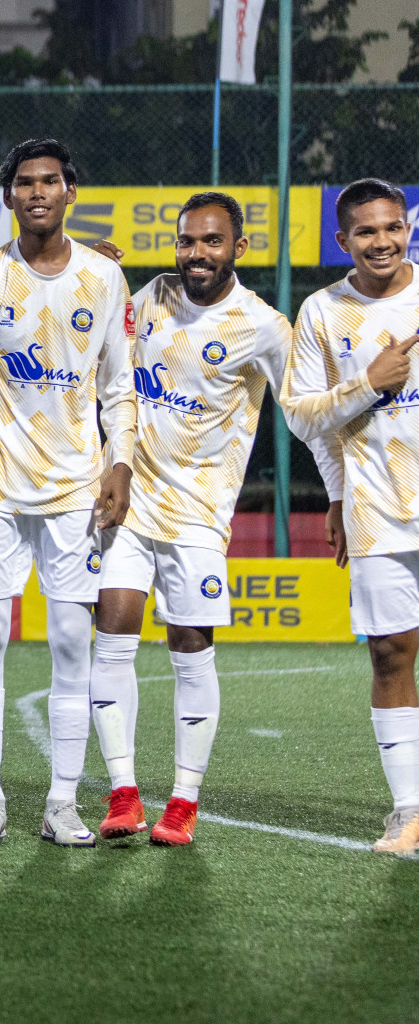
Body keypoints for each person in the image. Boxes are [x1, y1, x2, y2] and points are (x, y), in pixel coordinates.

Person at [90, 191, 338, 847]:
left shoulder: (263, 326)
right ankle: (122, 794)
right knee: (112, 631)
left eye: (211, 241)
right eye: (188, 241)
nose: (197, 253)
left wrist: (343, 485)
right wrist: (86, 277)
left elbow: (305, 416)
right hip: (128, 501)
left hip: (198, 515)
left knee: (189, 647)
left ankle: (183, 801)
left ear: (238, 248)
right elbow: (91, 352)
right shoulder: (150, 299)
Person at [0, 138, 137, 847]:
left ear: (70, 192)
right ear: (8, 197)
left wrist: (120, 467)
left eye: (50, 181)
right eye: (24, 182)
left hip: (76, 492)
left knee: (67, 642)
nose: (37, 192)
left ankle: (61, 803)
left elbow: (120, 387)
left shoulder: (103, 279)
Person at [278, 177, 419, 854]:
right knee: (392, 653)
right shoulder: (321, 313)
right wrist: (369, 383)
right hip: (377, 511)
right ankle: (408, 809)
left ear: (408, 228)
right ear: (343, 241)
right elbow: (303, 417)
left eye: (393, 227)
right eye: (367, 231)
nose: (383, 241)